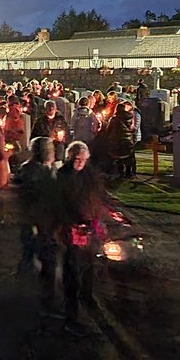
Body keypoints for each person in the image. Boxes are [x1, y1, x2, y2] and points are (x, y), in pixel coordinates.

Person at [56, 140, 110, 335]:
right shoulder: (63, 176)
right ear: (70, 157)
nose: (79, 162)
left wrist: (101, 217)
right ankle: (71, 314)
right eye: (76, 159)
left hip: (90, 227)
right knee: (72, 271)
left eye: (82, 159)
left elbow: (99, 197)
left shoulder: (91, 174)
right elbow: (59, 204)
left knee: (89, 266)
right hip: (72, 228)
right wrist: (70, 223)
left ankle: (87, 297)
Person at [15, 137, 59, 312]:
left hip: (44, 222)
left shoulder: (47, 168)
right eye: (50, 149)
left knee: (31, 256)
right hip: (37, 223)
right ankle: (42, 300)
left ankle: (26, 289)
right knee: (46, 260)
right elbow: (32, 199)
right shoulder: (33, 172)